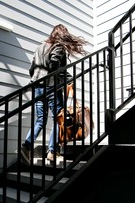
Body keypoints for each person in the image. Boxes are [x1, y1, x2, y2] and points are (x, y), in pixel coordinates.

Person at [21, 24, 88, 165]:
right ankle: (53, 151)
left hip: (37, 87)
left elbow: (32, 68)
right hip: (51, 86)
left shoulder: (40, 47)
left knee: (40, 119)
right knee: (60, 118)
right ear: (61, 35)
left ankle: (26, 146)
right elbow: (54, 65)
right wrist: (67, 79)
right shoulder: (57, 47)